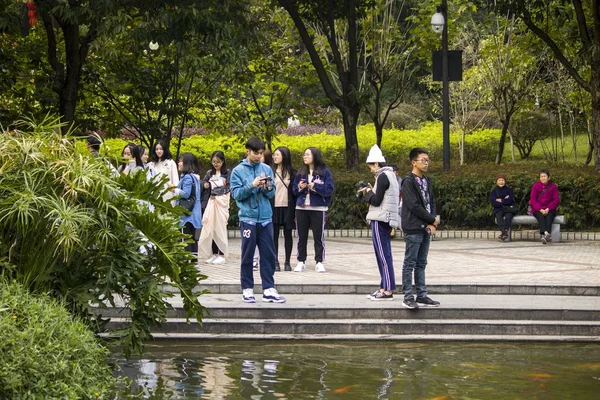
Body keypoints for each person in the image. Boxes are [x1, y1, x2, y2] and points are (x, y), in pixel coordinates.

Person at [230, 136, 285, 304]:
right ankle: (247, 288)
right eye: (255, 153)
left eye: (261, 153)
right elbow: (236, 194)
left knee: (268, 253)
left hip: (266, 217)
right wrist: (252, 185)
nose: (258, 156)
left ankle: (269, 288)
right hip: (248, 218)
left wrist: (266, 187)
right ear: (248, 151)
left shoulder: (267, 169)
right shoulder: (238, 171)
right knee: (247, 254)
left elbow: (271, 193)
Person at [358, 145, 400, 301]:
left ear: (376, 164)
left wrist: (368, 192)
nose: (370, 170)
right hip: (386, 219)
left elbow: (376, 200)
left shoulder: (383, 176)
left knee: (382, 255)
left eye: (371, 166)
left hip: (380, 219)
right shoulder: (391, 176)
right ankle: (383, 287)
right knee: (384, 254)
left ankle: (387, 290)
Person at [400, 148, 440, 309]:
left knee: (421, 263)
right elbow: (413, 205)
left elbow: (432, 202)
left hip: (426, 226)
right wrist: (432, 220)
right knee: (410, 262)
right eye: (423, 160)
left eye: (428, 160)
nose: (426, 163)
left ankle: (422, 295)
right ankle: (408, 296)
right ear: (413, 162)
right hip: (414, 226)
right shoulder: (408, 181)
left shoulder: (427, 180)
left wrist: (433, 221)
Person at [292, 147, 334, 273]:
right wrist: (300, 187)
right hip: (301, 207)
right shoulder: (300, 173)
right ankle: (301, 261)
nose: (305, 157)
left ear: (315, 156)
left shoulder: (325, 172)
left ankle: (319, 261)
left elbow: (329, 190)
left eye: (307, 155)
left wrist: (314, 186)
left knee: (318, 236)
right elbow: (293, 190)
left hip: (318, 208)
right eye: (304, 155)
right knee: (301, 235)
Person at [199, 151, 231, 265]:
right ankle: (213, 254)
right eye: (214, 162)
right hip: (211, 203)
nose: (216, 164)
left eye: (218, 162)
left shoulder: (227, 173)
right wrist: (205, 185)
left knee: (220, 227)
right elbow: (202, 183)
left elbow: (228, 187)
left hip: (221, 202)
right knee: (211, 226)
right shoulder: (209, 173)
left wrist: (216, 192)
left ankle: (222, 253)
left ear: (223, 162)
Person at [272, 146, 296, 272]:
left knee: (288, 235)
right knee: (274, 235)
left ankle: (287, 261)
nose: (275, 157)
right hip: (274, 207)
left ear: (284, 156)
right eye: (274, 155)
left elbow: (295, 191)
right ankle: (275, 261)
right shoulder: (270, 171)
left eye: (277, 155)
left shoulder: (292, 173)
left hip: (288, 207)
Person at [173, 153, 202, 255]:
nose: (179, 163)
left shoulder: (188, 178)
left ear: (186, 163)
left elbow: (186, 194)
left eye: (181, 161)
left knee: (186, 238)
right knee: (192, 238)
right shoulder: (194, 177)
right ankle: (194, 262)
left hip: (187, 215)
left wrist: (174, 189)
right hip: (194, 214)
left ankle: (188, 262)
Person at [530, 169, 560, 244]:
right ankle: (547, 234)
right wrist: (540, 209)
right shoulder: (535, 186)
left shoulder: (553, 187)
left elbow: (556, 200)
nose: (543, 178)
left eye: (544, 176)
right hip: (538, 209)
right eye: (541, 176)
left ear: (548, 178)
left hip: (550, 208)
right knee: (541, 216)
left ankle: (546, 234)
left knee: (549, 216)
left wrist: (548, 208)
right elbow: (533, 200)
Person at [490, 174, 516, 242]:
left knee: (508, 216)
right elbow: (493, 202)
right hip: (498, 209)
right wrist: (504, 200)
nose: (501, 182)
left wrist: (500, 200)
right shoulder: (494, 191)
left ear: (505, 181)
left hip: (508, 209)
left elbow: (510, 201)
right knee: (498, 216)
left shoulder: (509, 190)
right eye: (499, 180)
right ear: (496, 182)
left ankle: (505, 232)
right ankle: (503, 231)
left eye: (502, 180)